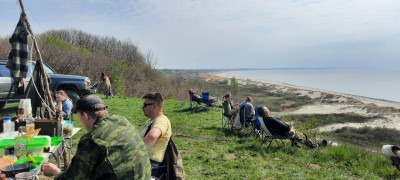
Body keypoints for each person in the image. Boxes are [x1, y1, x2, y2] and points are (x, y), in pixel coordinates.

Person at [42, 95, 151, 179]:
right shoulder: (123, 121)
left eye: (79, 116)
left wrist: (56, 172)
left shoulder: (91, 139)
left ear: (85, 115)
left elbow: (74, 178)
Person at [258, 106, 327, 148]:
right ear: (266, 112)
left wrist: (285, 123)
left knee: (291, 125)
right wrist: (290, 125)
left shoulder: (264, 119)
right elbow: (286, 128)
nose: (268, 109)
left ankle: (294, 143)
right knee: (298, 133)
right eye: (267, 109)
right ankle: (316, 146)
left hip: (275, 132)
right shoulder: (271, 120)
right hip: (283, 133)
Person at [140, 92, 172, 167]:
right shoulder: (151, 121)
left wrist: (136, 152)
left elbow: (153, 136)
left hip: (150, 163)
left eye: (145, 105)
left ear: (154, 106)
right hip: (145, 161)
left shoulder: (162, 120)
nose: (142, 107)